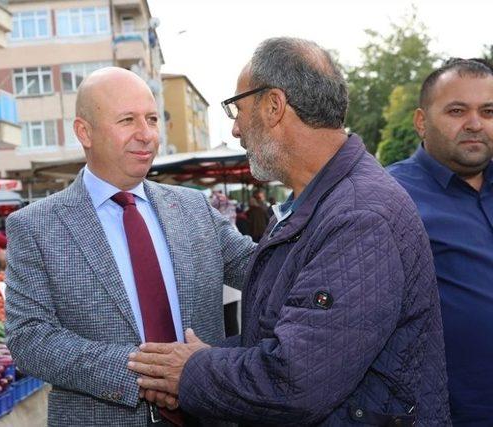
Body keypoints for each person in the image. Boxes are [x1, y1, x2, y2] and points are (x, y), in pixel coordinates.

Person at [128, 37, 450, 426]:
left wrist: (193, 370)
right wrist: (206, 361)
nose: (234, 130)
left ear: (273, 106)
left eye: (237, 109)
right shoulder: (323, 202)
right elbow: (289, 334)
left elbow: (296, 380)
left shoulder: (359, 217)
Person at [4, 67, 255, 427]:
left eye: (152, 119)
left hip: (207, 415)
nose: (146, 134)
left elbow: (259, 267)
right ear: (84, 132)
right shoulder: (35, 226)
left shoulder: (193, 207)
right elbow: (29, 338)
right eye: (127, 120)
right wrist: (146, 372)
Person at [388, 58, 493, 425]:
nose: (476, 124)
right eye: (457, 110)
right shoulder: (389, 198)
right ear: (421, 121)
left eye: (489, 111)